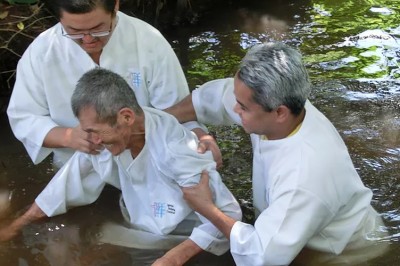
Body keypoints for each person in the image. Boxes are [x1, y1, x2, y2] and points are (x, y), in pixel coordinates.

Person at [166, 42, 388, 265]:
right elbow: (216, 99)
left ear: (280, 113)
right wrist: (159, 118)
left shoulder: (304, 175)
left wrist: (207, 207)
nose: (235, 109)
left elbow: (261, 256)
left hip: (344, 253)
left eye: (242, 107)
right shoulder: (281, 106)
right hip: (300, 231)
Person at [0, 68, 242, 265]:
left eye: (96, 132)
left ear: (126, 117)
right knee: (79, 247)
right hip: (137, 225)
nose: (91, 140)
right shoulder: (105, 137)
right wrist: (16, 225)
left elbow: (229, 215)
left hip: (185, 237)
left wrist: (173, 258)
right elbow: (66, 184)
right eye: (88, 131)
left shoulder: (179, 152)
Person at [6, 0, 220, 170]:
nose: (88, 40)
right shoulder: (42, 53)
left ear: (115, 6)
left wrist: (199, 136)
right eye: (74, 32)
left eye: (98, 29)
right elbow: (24, 118)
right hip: (76, 166)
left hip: (148, 163)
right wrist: (69, 137)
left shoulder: (148, 41)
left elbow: (177, 110)